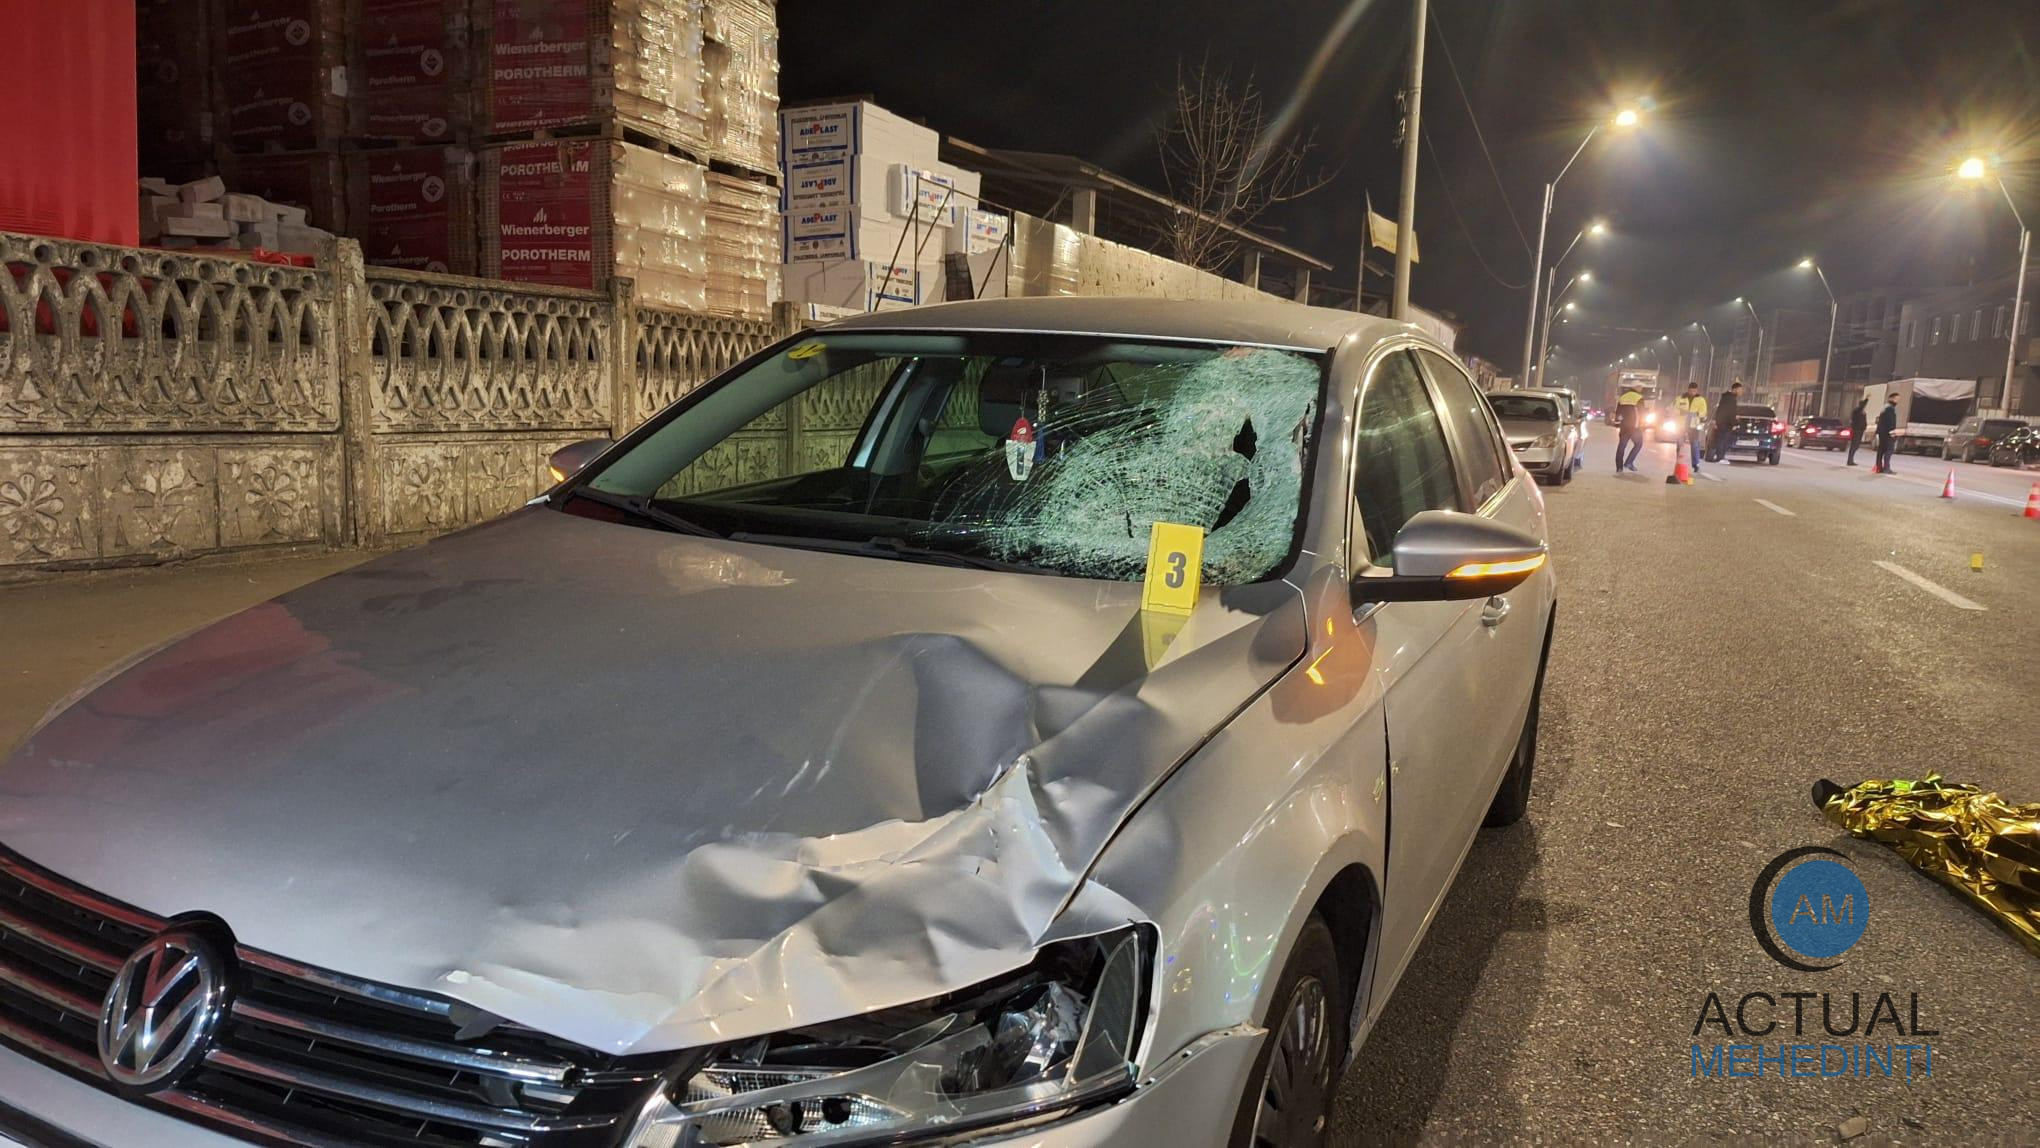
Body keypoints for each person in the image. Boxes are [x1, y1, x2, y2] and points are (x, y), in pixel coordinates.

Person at [1673, 381, 1708, 472]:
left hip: (1694, 425)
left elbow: (1703, 412)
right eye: (1691, 391)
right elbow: (1673, 409)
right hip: (1681, 425)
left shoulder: (1701, 400)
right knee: (1680, 444)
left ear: (1697, 390)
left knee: (1695, 445)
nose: (1693, 392)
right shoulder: (1680, 398)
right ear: (1688, 390)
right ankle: (1679, 462)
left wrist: (1696, 414)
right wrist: (1681, 412)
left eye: (1694, 391)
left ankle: (1696, 464)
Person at [1709, 381, 1743, 463]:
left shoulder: (1727, 397)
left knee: (1722, 440)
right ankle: (1720, 457)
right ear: (1735, 389)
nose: (1741, 392)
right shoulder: (1730, 398)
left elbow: (1722, 409)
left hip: (1722, 422)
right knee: (1723, 440)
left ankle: (1720, 457)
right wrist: (1734, 423)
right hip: (1725, 423)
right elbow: (1729, 412)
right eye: (1740, 390)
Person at [1615, 383, 1646, 472]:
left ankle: (1619, 467)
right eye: (1640, 387)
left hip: (1624, 426)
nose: (1641, 389)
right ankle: (1629, 462)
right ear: (1636, 387)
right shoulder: (1639, 398)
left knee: (1621, 446)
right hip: (1634, 426)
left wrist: (1618, 422)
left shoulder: (1623, 397)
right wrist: (1643, 424)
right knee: (1638, 444)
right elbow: (1641, 412)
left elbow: (1618, 412)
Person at [1874, 393, 1900, 473]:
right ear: (1891, 399)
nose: (1897, 401)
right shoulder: (1890, 409)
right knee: (1889, 450)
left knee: (1881, 450)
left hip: (1882, 432)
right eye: (1896, 399)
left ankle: (1879, 467)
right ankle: (1886, 468)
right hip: (1887, 433)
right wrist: (1892, 433)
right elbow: (1890, 422)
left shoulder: (1885, 407)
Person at [1846, 396, 1869, 466]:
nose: (1864, 406)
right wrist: (1867, 399)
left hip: (1860, 430)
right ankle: (1850, 460)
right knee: (1854, 445)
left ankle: (1850, 460)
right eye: (1863, 404)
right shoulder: (1857, 410)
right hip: (1856, 430)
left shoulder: (1862, 411)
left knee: (1856, 445)